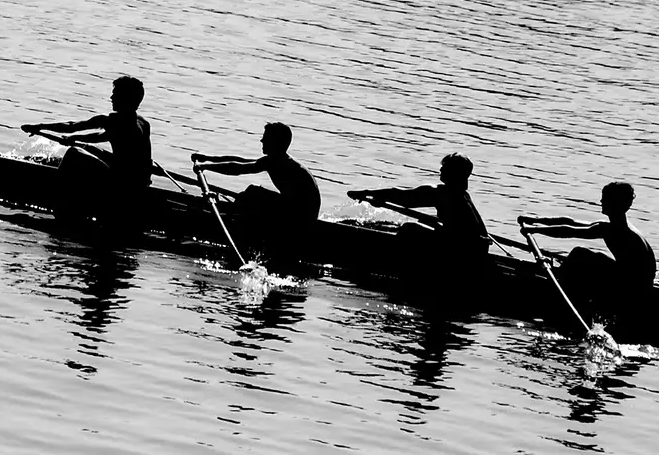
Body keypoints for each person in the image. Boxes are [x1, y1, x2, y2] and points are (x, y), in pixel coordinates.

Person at [21, 75, 152, 224]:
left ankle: (56, 193)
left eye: (115, 94)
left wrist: (70, 138)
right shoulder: (143, 123)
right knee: (89, 149)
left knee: (74, 153)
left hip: (122, 185)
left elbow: (76, 129)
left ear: (126, 98)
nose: (111, 97)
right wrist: (44, 128)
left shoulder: (114, 121)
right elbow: (94, 133)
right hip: (140, 182)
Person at [518, 181, 656, 311]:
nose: (601, 202)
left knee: (580, 254)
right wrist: (534, 221)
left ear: (614, 203)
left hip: (633, 290)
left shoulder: (616, 230)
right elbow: (570, 222)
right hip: (632, 280)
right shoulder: (615, 225)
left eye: (604, 198)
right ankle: (564, 281)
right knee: (592, 258)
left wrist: (533, 230)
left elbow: (569, 231)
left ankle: (558, 287)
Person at [191, 123, 321, 249]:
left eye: (266, 139)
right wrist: (208, 158)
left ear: (277, 143)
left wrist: (205, 167)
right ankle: (235, 216)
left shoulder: (276, 162)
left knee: (253, 193)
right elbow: (241, 161)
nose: (261, 140)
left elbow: (237, 169)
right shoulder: (277, 159)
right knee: (250, 195)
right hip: (299, 212)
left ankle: (236, 223)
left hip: (300, 220)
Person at [348, 153, 490, 262]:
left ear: (454, 172)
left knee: (409, 229)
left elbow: (404, 197)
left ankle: (390, 259)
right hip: (475, 250)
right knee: (427, 222)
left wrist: (367, 193)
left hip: (462, 253)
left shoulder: (442, 193)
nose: (440, 169)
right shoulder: (463, 195)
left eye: (445, 167)